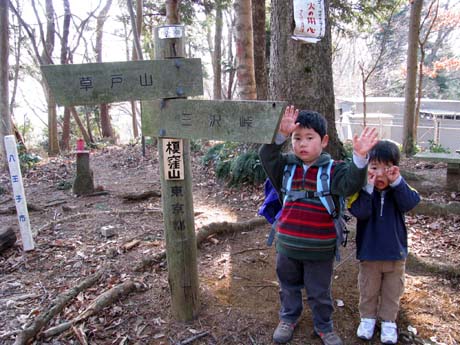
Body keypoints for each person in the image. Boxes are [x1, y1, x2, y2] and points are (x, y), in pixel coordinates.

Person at [259, 106, 378, 345]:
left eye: (309, 138)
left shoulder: (334, 169)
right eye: (297, 138)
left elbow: (351, 184)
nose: (302, 144)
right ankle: (288, 318)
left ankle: (324, 325)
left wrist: (360, 158)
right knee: (288, 286)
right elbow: (266, 156)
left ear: (324, 141)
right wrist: (280, 135)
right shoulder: (285, 167)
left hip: (320, 248)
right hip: (287, 245)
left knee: (319, 292)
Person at [347, 140, 420, 344]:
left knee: (392, 292)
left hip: (395, 255)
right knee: (368, 289)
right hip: (369, 254)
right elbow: (360, 212)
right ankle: (368, 319)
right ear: (367, 167)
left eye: (387, 168)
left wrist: (397, 183)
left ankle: (389, 322)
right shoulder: (361, 192)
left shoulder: (400, 189)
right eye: (374, 167)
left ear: (395, 169)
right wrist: (368, 188)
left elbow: (410, 203)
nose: (380, 174)